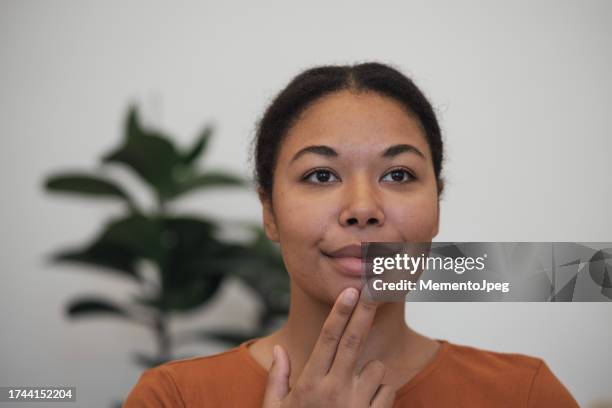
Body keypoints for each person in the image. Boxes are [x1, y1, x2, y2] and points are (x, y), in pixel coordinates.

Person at [123, 62, 579, 407]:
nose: (362, 209)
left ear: (436, 205)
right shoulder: (174, 398)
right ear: (270, 212)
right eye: (321, 176)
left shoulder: (525, 394)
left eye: (398, 174)